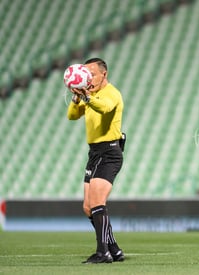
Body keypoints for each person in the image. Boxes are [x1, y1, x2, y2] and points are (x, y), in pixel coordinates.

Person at [67, 58, 125, 263]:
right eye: (86, 74)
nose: (88, 78)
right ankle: (114, 249)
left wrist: (88, 97)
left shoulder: (111, 94)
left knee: (98, 202)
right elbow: (72, 116)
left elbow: (105, 108)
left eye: (91, 74)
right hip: (94, 153)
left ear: (104, 74)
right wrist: (76, 99)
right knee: (87, 207)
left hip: (109, 152)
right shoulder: (88, 94)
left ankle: (103, 252)